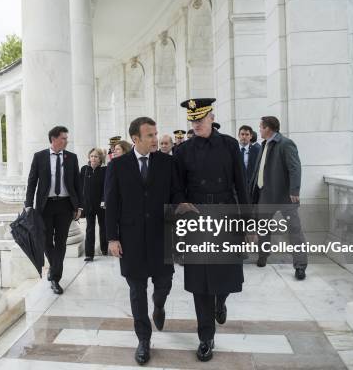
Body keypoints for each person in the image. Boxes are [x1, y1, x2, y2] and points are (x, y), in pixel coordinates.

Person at [173, 98, 249, 362]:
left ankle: (221, 300)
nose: (196, 124)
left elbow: (242, 184)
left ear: (211, 117)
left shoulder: (229, 145)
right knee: (200, 283)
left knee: (226, 273)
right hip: (197, 219)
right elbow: (178, 188)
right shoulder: (182, 151)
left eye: (200, 119)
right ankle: (206, 337)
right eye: (192, 120)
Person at [105, 117, 185, 365]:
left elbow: (177, 194)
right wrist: (112, 238)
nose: (155, 139)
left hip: (162, 237)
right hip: (131, 240)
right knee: (137, 291)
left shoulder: (167, 162)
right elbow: (112, 205)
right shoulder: (117, 166)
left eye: (156, 134)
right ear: (135, 139)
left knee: (164, 284)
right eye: (149, 135)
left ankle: (159, 306)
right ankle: (143, 339)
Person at [25, 126, 82, 295]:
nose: (66, 141)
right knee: (46, 241)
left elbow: (77, 184)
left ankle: (55, 277)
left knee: (61, 241)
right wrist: (28, 204)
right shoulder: (39, 157)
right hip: (45, 206)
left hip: (65, 205)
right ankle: (54, 267)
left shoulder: (71, 158)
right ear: (54, 139)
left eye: (66, 138)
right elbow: (32, 181)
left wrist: (79, 206)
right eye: (64, 138)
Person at [250, 116, 307, 279]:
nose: (259, 130)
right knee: (263, 228)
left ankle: (300, 265)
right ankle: (263, 257)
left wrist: (294, 191)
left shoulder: (286, 143)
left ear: (268, 128)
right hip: (265, 195)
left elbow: (295, 168)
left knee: (294, 230)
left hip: (285, 197)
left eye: (260, 127)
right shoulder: (264, 144)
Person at [80, 148, 107, 261]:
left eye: (96, 156)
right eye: (91, 156)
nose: (93, 158)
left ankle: (104, 249)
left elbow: (106, 187)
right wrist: (80, 204)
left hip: (101, 205)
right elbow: (80, 187)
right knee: (89, 228)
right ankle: (89, 254)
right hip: (88, 204)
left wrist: (104, 200)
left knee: (103, 227)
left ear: (100, 159)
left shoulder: (105, 170)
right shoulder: (84, 169)